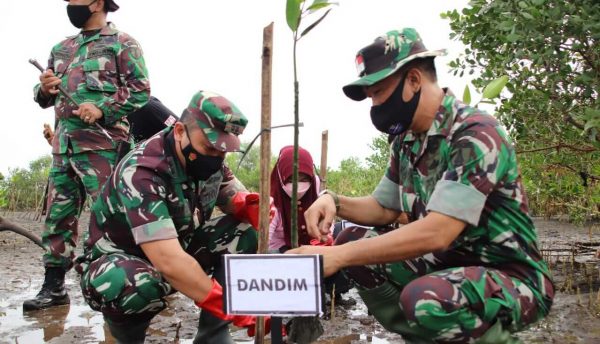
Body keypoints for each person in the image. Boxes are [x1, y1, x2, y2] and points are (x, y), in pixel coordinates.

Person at [289, 28, 554, 343]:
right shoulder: (406, 140)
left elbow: (438, 231)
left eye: (378, 92)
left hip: (511, 276)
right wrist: (333, 200)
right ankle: (426, 337)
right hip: (448, 262)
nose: (374, 104)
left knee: (425, 298)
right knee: (353, 238)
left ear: (413, 80)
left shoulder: (475, 134)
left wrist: (340, 256)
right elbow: (385, 208)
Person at [75, 90, 274, 344]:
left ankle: (213, 338)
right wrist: (231, 307)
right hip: (119, 263)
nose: (215, 157)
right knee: (135, 283)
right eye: (209, 147)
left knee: (245, 233)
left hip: (176, 247)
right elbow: (168, 260)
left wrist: (250, 205)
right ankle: (124, 338)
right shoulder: (142, 171)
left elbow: (232, 193)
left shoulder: (209, 159)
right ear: (180, 131)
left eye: (222, 151)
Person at [24, 0, 151, 311]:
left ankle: (132, 282)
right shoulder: (61, 48)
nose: (69, 4)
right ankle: (53, 287)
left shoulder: (123, 44)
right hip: (64, 147)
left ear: (97, 3)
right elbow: (42, 98)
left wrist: (102, 109)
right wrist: (45, 88)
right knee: (58, 218)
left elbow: (141, 91)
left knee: (111, 218)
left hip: (102, 148)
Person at [270, 146, 355, 309]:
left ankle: (334, 295)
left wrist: (325, 238)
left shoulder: (316, 189)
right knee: (295, 266)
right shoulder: (272, 203)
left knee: (331, 255)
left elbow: (326, 219)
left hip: (312, 242)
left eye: (304, 179)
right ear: (281, 177)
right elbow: (264, 242)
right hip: (283, 250)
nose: (298, 185)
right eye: (291, 180)